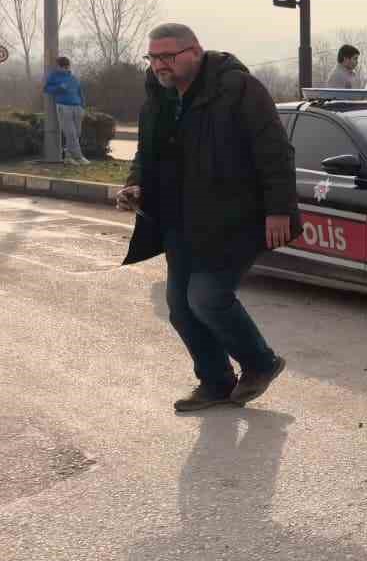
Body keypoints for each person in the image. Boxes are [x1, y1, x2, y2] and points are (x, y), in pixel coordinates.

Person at [116, 22, 295, 411]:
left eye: (168, 56)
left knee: (207, 296)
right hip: (181, 220)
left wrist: (278, 209)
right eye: (153, 57)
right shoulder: (158, 100)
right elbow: (147, 155)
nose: (160, 65)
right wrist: (135, 185)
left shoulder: (238, 89)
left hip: (237, 216)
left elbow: (274, 151)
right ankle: (215, 382)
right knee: (180, 306)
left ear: (195, 52)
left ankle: (261, 363)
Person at [42, 55, 89, 165]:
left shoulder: (73, 77)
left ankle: (68, 157)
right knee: (71, 133)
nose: (65, 68)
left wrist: (82, 107)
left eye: (66, 66)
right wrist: (59, 88)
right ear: (58, 66)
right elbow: (46, 89)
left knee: (76, 133)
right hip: (64, 107)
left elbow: (80, 92)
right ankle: (79, 157)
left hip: (77, 108)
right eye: (62, 66)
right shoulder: (54, 76)